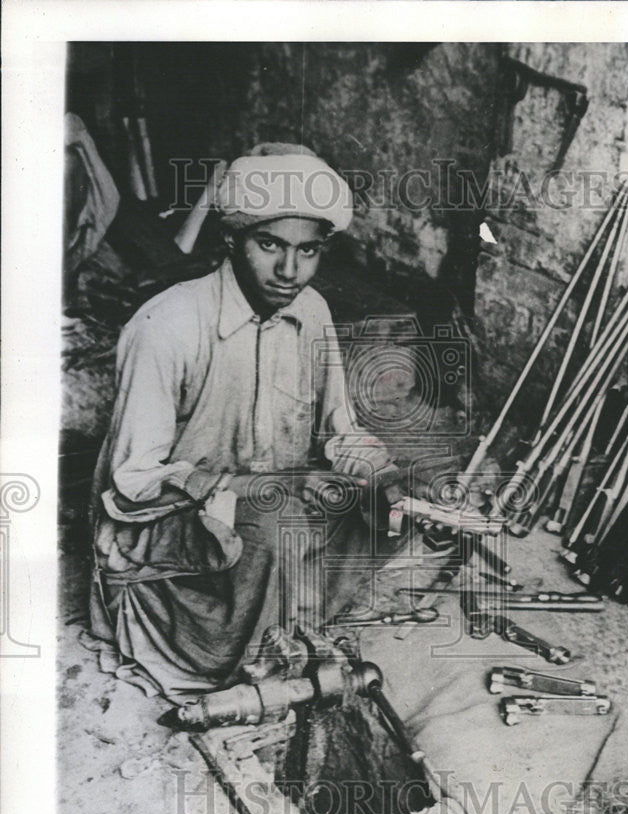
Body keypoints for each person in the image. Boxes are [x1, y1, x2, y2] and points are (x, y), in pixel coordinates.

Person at [89, 144, 402, 699]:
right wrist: (262, 490)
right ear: (231, 239)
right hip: (170, 522)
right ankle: (235, 656)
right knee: (270, 524)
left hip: (269, 500)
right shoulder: (167, 326)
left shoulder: (311, 312)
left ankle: (290, 620)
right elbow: (133, 481)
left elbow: (339, 431)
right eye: (270, 245)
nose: (290, 271)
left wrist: (386, 479)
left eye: (308, 252)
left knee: (375, 509)